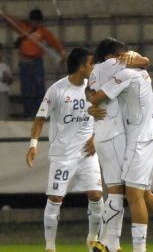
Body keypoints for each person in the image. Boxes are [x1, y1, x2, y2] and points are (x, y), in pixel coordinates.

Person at [85, 37, 153, 252]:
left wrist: (89, 105)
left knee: (133, 195)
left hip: (141, 139)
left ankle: (136, 248)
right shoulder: (133, 70)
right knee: (143, 193)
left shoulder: (125, 74)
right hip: (144, 135)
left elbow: (96, 97)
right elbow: (145, 61)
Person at [25, 47, 103, 252]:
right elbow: (40, 118)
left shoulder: (94, 88)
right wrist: (33, 145)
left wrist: (96, 137)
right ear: (80, 66)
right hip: (63, 155)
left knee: (96, 195)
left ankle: (93, 240)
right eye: (90, 63)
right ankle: (50, 246)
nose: (93, 67)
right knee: (55, 198)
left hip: (87, 153)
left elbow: (104, 115)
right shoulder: (57, 90)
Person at [87, 39, 150, 252]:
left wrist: (89, 107)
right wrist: (134, 55)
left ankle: (110, 243)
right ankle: (107, 242)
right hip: (114, 133)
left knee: (116, 190)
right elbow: (144, 62)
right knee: (116, 192)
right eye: (122, 54)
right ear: (112, 55)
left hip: (102, 133)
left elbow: (89, 94)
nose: (126, 58)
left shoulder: (95, 69)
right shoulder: (113, 65)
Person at [1, 8, 65, 117]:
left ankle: (41, 113)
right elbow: (11, 21)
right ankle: (28, 114)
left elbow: (53, 41)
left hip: (37, 62)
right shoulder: (22, 27)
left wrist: (61, 51)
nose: (36, 23)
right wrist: (3, 13)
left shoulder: (43, 31)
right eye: (34, 21)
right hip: (25, 62)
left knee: (39, 89)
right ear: (31, 20)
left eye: (38, 21)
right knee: (26, 89)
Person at [0, 43, 13, 120]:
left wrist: (7, 78)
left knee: (3, 117)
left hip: (3, 93)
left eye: (0, 51)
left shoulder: (5, 66)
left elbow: (10, 81)